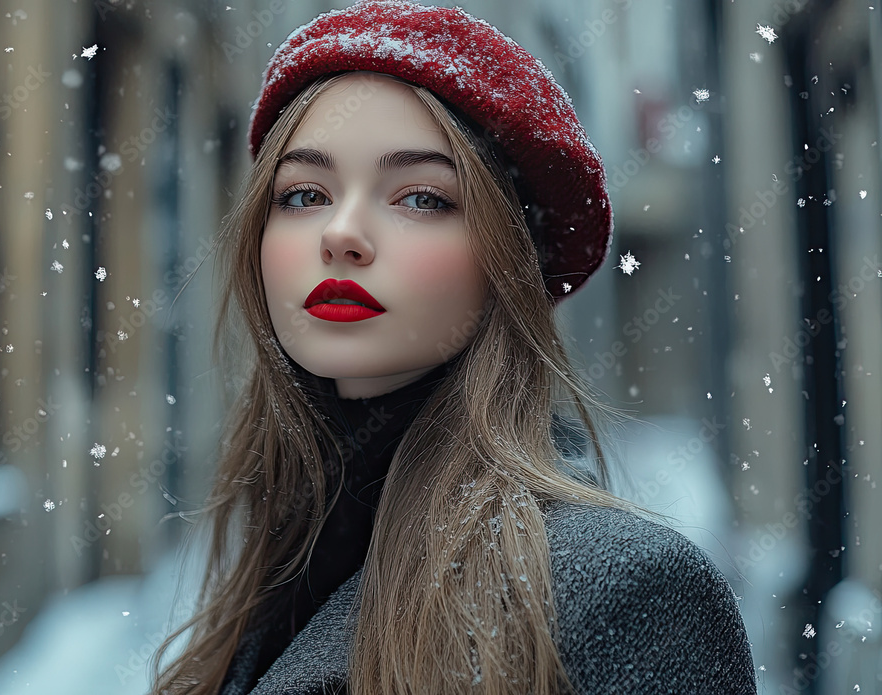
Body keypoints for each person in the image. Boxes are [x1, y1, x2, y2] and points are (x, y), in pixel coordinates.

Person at [152, 2, 757, 693]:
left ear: (505, 264)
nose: (341, 232)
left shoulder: (624, 593)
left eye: (419, 198)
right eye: (304, 193)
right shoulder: (272, 574)